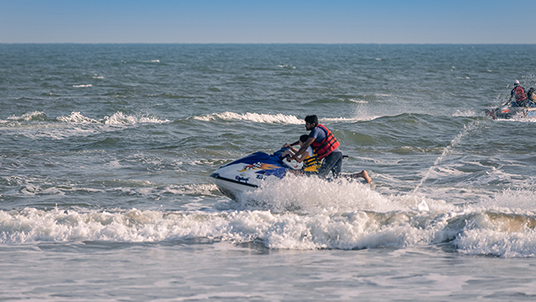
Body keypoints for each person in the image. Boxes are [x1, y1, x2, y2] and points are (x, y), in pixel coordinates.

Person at [287, 115, 371, 183]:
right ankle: (360, 175)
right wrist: (290, 145)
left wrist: (293, 157)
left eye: (307, 124)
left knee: (321, 175)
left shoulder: (315, 131)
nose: (305, 125)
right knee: (337, 177)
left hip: (331, 155)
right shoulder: (318, 130)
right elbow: (303, 141)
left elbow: (305, 146)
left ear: (312, 124)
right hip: (338, 153)